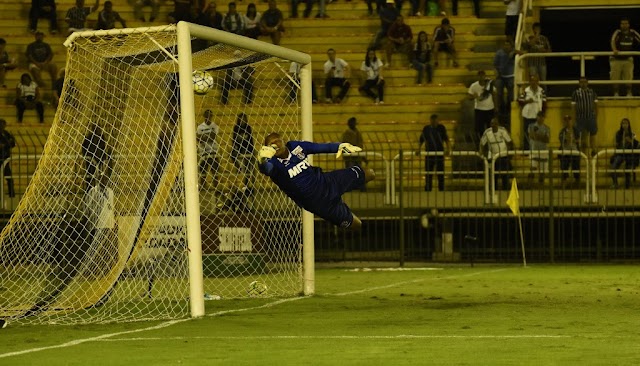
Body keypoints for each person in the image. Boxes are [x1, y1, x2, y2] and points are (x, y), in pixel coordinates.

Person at [257, 132, 374, 230]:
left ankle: (344, 197)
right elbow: (266, 169)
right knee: (357, 225)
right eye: (270, 145)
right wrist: (262, 161)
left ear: (283, 140)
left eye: (277, 141)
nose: (275, 145)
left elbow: (319, 147)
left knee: (369, 173)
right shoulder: (273, 164)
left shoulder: (295, 147)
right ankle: (342, 209)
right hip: (320, 204)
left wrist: (340, 146)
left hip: (328, 182)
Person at [417, 114, 450, 192]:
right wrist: (418, 149)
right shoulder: (426, 129)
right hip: (429, 154)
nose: (435, 122)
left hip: (439, 154)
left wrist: (448, 149)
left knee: (440, 173)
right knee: (428, 173)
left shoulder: (441, 128)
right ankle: (428, 189)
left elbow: (446, 139)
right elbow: (421, 140)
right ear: (430, 121)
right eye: (433, 120)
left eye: (436, 120)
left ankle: (441, 189)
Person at [610, 18, 640, 97]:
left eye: (626, 23)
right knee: (615, 78)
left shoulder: (632, 32)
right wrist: (614, 49)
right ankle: (616, 93)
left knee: (628, 77)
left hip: (628, 59)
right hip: (616, 59)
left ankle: (629, 93)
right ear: (620, 25)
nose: (624, 25)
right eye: (622, 23)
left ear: (629, 25)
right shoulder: (618, 32)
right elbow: (612, 41)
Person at [479, 118, 513, 190]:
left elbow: (509, 142)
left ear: (498, 124)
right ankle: (494, 188)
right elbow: (482, 144)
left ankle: (505, 188)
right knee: (493, 174)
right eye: (492, 124)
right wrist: (482, 154)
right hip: (493, 156)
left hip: (503, 155)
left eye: (495, 124)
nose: (494, 125)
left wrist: (509, 153)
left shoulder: (503, 131)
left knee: (505, 173)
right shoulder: (487, 133)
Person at [571, 76, 598, 157]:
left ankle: (594, 150)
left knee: (593, 134)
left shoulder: (592, 92)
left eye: (584, 82)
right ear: (579, 83)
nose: (583, 83)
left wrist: (595, 116)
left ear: (587, 83)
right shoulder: (575, 93)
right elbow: (573, 107)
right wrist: (574, 118)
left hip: (590, 117)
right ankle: (582, 153)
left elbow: (596, 105)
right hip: (580, 118)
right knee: (580, 135)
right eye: (581, 82)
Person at [518, 74, 546, 149]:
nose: (533, 82)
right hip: (527, 115)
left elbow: (544, 102)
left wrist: (543, 114)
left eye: (535, 81)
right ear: (530, 82)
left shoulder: (541, 91)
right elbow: (519, 101)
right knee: (527, 133)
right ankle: (527, 149)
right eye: (532, 81)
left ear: (538, 82)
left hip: (537, 116)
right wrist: (527, 101)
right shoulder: (526, 90)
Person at [468, 70, 497, 141]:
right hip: (479, 109)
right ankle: (480, 144)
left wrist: (496, 107)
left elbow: (494, 94)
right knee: (479, 129)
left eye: (482, 75)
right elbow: (469, 96)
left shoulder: (489, 85)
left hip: (490, 109)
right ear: (478, 77)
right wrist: (474, 96)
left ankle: (490, 142)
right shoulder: (474, 86)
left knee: (490, 128)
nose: (481, 77)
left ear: (484, 76)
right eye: (480, 76)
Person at [494, 38, 518, 121]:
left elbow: (523, 53)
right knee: (498, 93)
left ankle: (509, 110)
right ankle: (501, 110)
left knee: (511, 95)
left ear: (511, 46)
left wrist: (515, 52)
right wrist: (497, 72)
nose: (506, 46)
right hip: (500, 77)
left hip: (510, 76)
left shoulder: (514, 53)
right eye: (505, 44)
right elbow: (495, 65)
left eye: (508, 45)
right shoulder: (499, 53)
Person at [610, 118, 639, 189]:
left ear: (629, 125)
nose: (624, 125)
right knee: (613, 168)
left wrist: (631, 141)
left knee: (628, 169)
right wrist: (622, 141)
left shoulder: (632, 134)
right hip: (620, 154)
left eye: (626, 123)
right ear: (621, 125)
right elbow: (617, 145)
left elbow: (635, 144)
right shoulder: (618, 133)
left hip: (629, 155)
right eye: (623, 123)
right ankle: (615, 183)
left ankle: (627, 186)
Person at [82, 123, 111, 191]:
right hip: (91, 161)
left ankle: (100, 190)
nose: (98, 130)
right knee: (90, 176)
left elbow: (103, 149)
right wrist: (88, 158)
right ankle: (88, 191)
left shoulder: (101, 137)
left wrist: (103, 159)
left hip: (99, 160)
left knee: (100, 177)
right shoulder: (88, 138)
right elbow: (83, 149)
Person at [197, 110, 220, 190]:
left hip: (213, 152)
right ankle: (203, 188)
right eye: (207, 116)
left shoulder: (215, 126)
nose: (208, 118)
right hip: (203, 152)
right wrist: (207, 136)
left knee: (215, 172)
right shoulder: (200, 127)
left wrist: (204, 137)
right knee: (203, 172)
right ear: (204, 116)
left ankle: (216, 188)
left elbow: (212, 137)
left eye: (210, 116)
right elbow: (199, 139)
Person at [231, 112, 254, 189]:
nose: (242, 120)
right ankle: (238, 167)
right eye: (241, 119)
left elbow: (250, 139)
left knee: (248, 166)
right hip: (239, 148)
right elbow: (234, 139)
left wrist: (251, 149)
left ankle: (246, 184)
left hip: (247, 147)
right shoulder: (236, 128)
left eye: (244, 119)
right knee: (232, 155)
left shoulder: (248, 127)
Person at [527, 111, 550, 183]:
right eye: (539, 116)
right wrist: (542, 137)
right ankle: (530, 184)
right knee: (532, 168)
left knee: (542, 171)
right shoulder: (531, 126)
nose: (541, 118)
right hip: (534, 150)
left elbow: (547, 140)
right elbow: (532, 136)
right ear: (537, 117)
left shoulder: (547, 128)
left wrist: (538, 136)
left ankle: (541, 186)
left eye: (542, 116)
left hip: (543, 150)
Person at [558, 115, 581, 184]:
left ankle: (577, 180)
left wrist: (575, 140)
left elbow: (579, 140)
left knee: (576, 165)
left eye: (569, 120)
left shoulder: (576, 130)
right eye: (566, 120)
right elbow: (562, 140)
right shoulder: (562, 131)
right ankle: (564, 179)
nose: (567, 122)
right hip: (566, 151)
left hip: (575, 151)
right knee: (564, 165)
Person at [0, 119, 16, 198]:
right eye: (1, 125)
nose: (3, 127)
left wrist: (10, 142)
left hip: (5, 159)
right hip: (0, 158)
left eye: (4, 125)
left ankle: (12, 195)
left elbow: (12, 143)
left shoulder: (6, 133)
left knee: (9, 178)